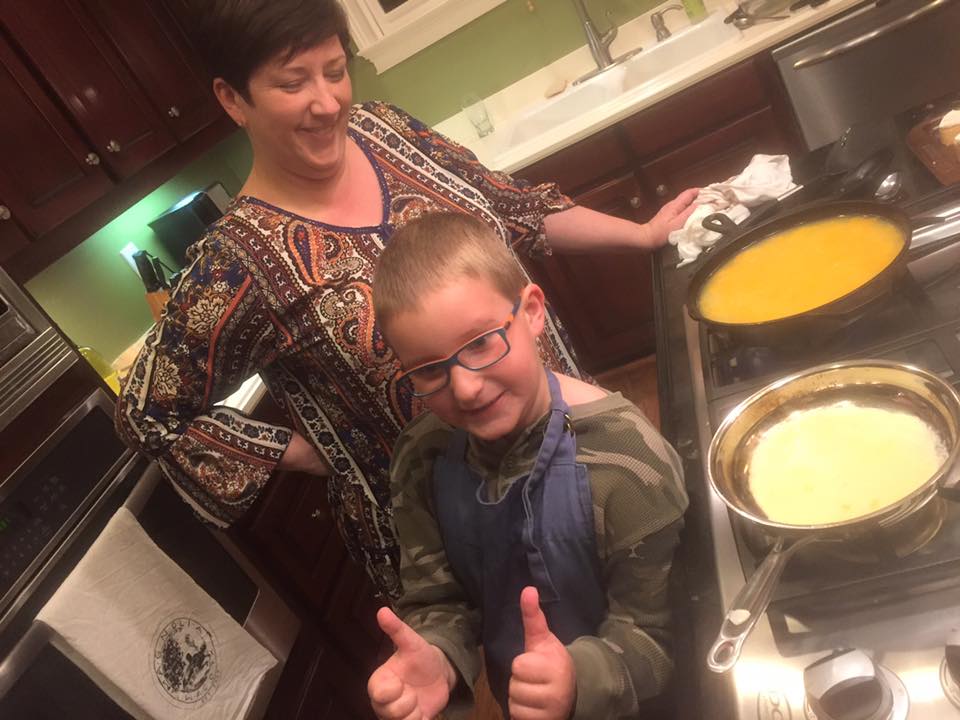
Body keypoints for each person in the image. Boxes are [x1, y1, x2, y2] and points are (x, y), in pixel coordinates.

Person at [114, 0, 697, 602]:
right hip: (469, 533)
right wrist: (319, 455)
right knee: (552, 671)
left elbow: (513, 207)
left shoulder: (383, 129)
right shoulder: (236, 264)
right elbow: (146, 413)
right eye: (293, 83)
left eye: (335, 71)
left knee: (661, 601)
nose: (326, 102)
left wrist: (642, 235)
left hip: (576, 444)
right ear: (233, 99)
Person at [367, 212, 689, 719]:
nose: (466, 387)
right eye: (429, 370)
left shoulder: (629, 465)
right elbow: (441, 599)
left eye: (480, 342)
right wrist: (436, 654)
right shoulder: (421, 459)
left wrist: (576, 679)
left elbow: (659, 638)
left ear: (533, 312)